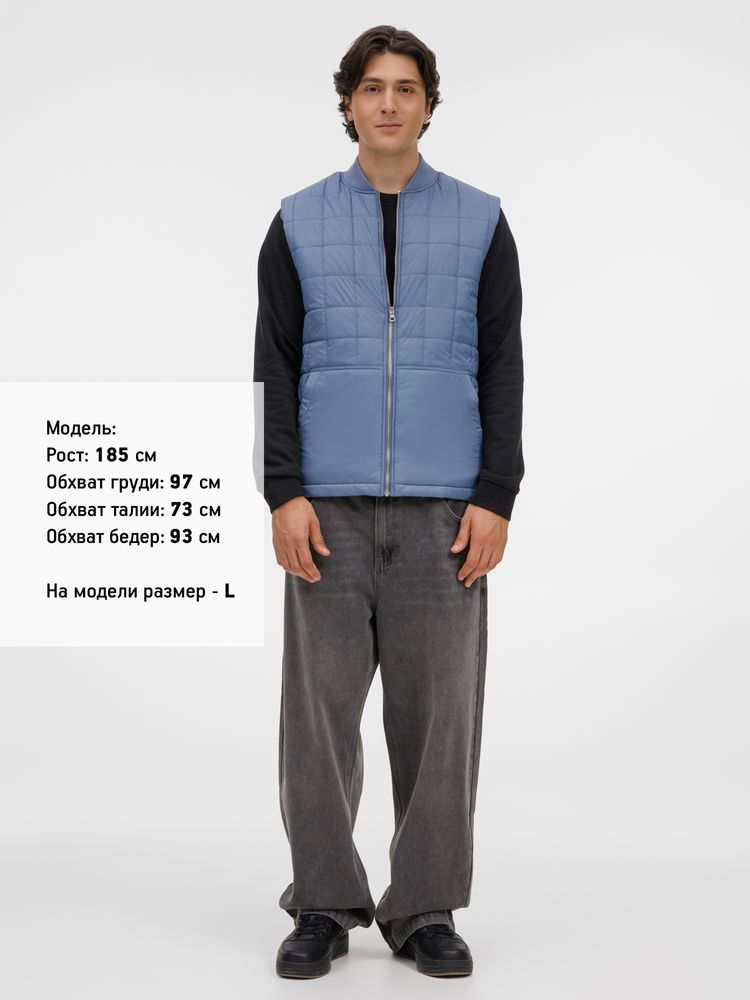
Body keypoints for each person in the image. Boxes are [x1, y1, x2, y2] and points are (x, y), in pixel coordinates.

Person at [253, 24, 524, 979]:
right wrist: (283, 490)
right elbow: (273, 366)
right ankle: (323, 903)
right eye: (372, 87)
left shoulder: (482, 221)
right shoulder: (296, 221)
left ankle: (425, 908)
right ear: (348, 103)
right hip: (325, 510)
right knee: (317, 720)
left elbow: (503, 363)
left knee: (440, 720)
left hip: (445, 513)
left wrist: (495, 494)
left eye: (406, 88)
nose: (389, 103)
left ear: (429, 104)